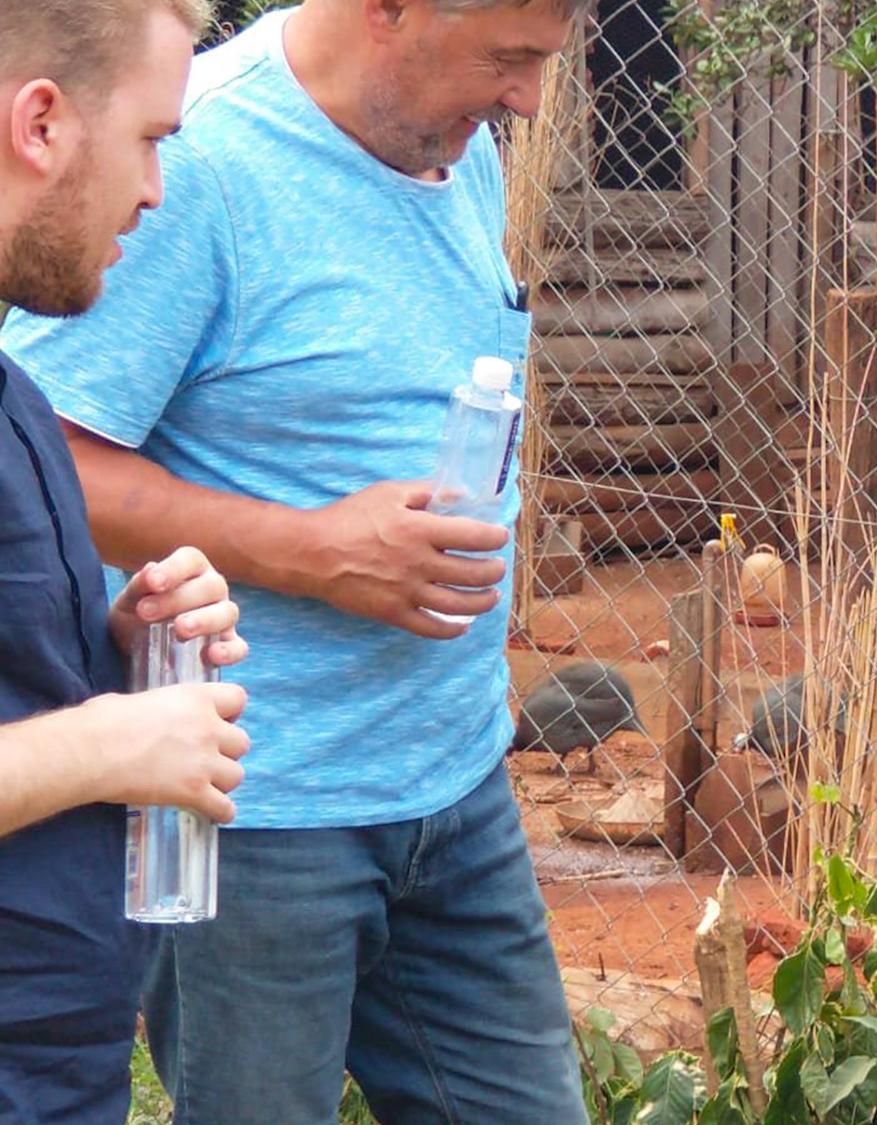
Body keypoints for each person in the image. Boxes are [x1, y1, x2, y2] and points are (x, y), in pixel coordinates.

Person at [0, 1, 595, 1120]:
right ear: (391, 11)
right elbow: (52, 450)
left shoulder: (446, 140)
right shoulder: (188, 157)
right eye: (509, 58)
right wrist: (312, 550)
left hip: (453, 785)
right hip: (256, 814)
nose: (525, 97)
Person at [0, 1, 252, 1119]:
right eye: (151, 138)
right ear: (41, 123)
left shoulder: (16, 392)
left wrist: (119, 652)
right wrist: (109, 741)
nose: (156, 191)